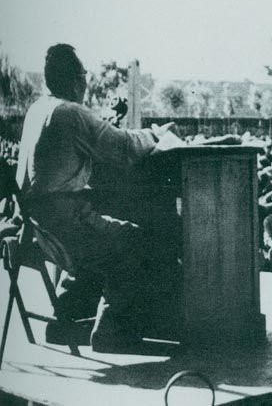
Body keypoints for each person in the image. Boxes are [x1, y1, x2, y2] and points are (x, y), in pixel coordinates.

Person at [16, 44, 178, 353]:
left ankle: (66, 318)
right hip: (67, 227)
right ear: (75, 81)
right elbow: (124, 147)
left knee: (104, 235)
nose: (86, 83)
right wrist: (156, 134)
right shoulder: (70, 113)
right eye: (84, 76)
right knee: (135, 240)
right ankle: (111, 329)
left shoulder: (38, 109)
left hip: (38, 228)